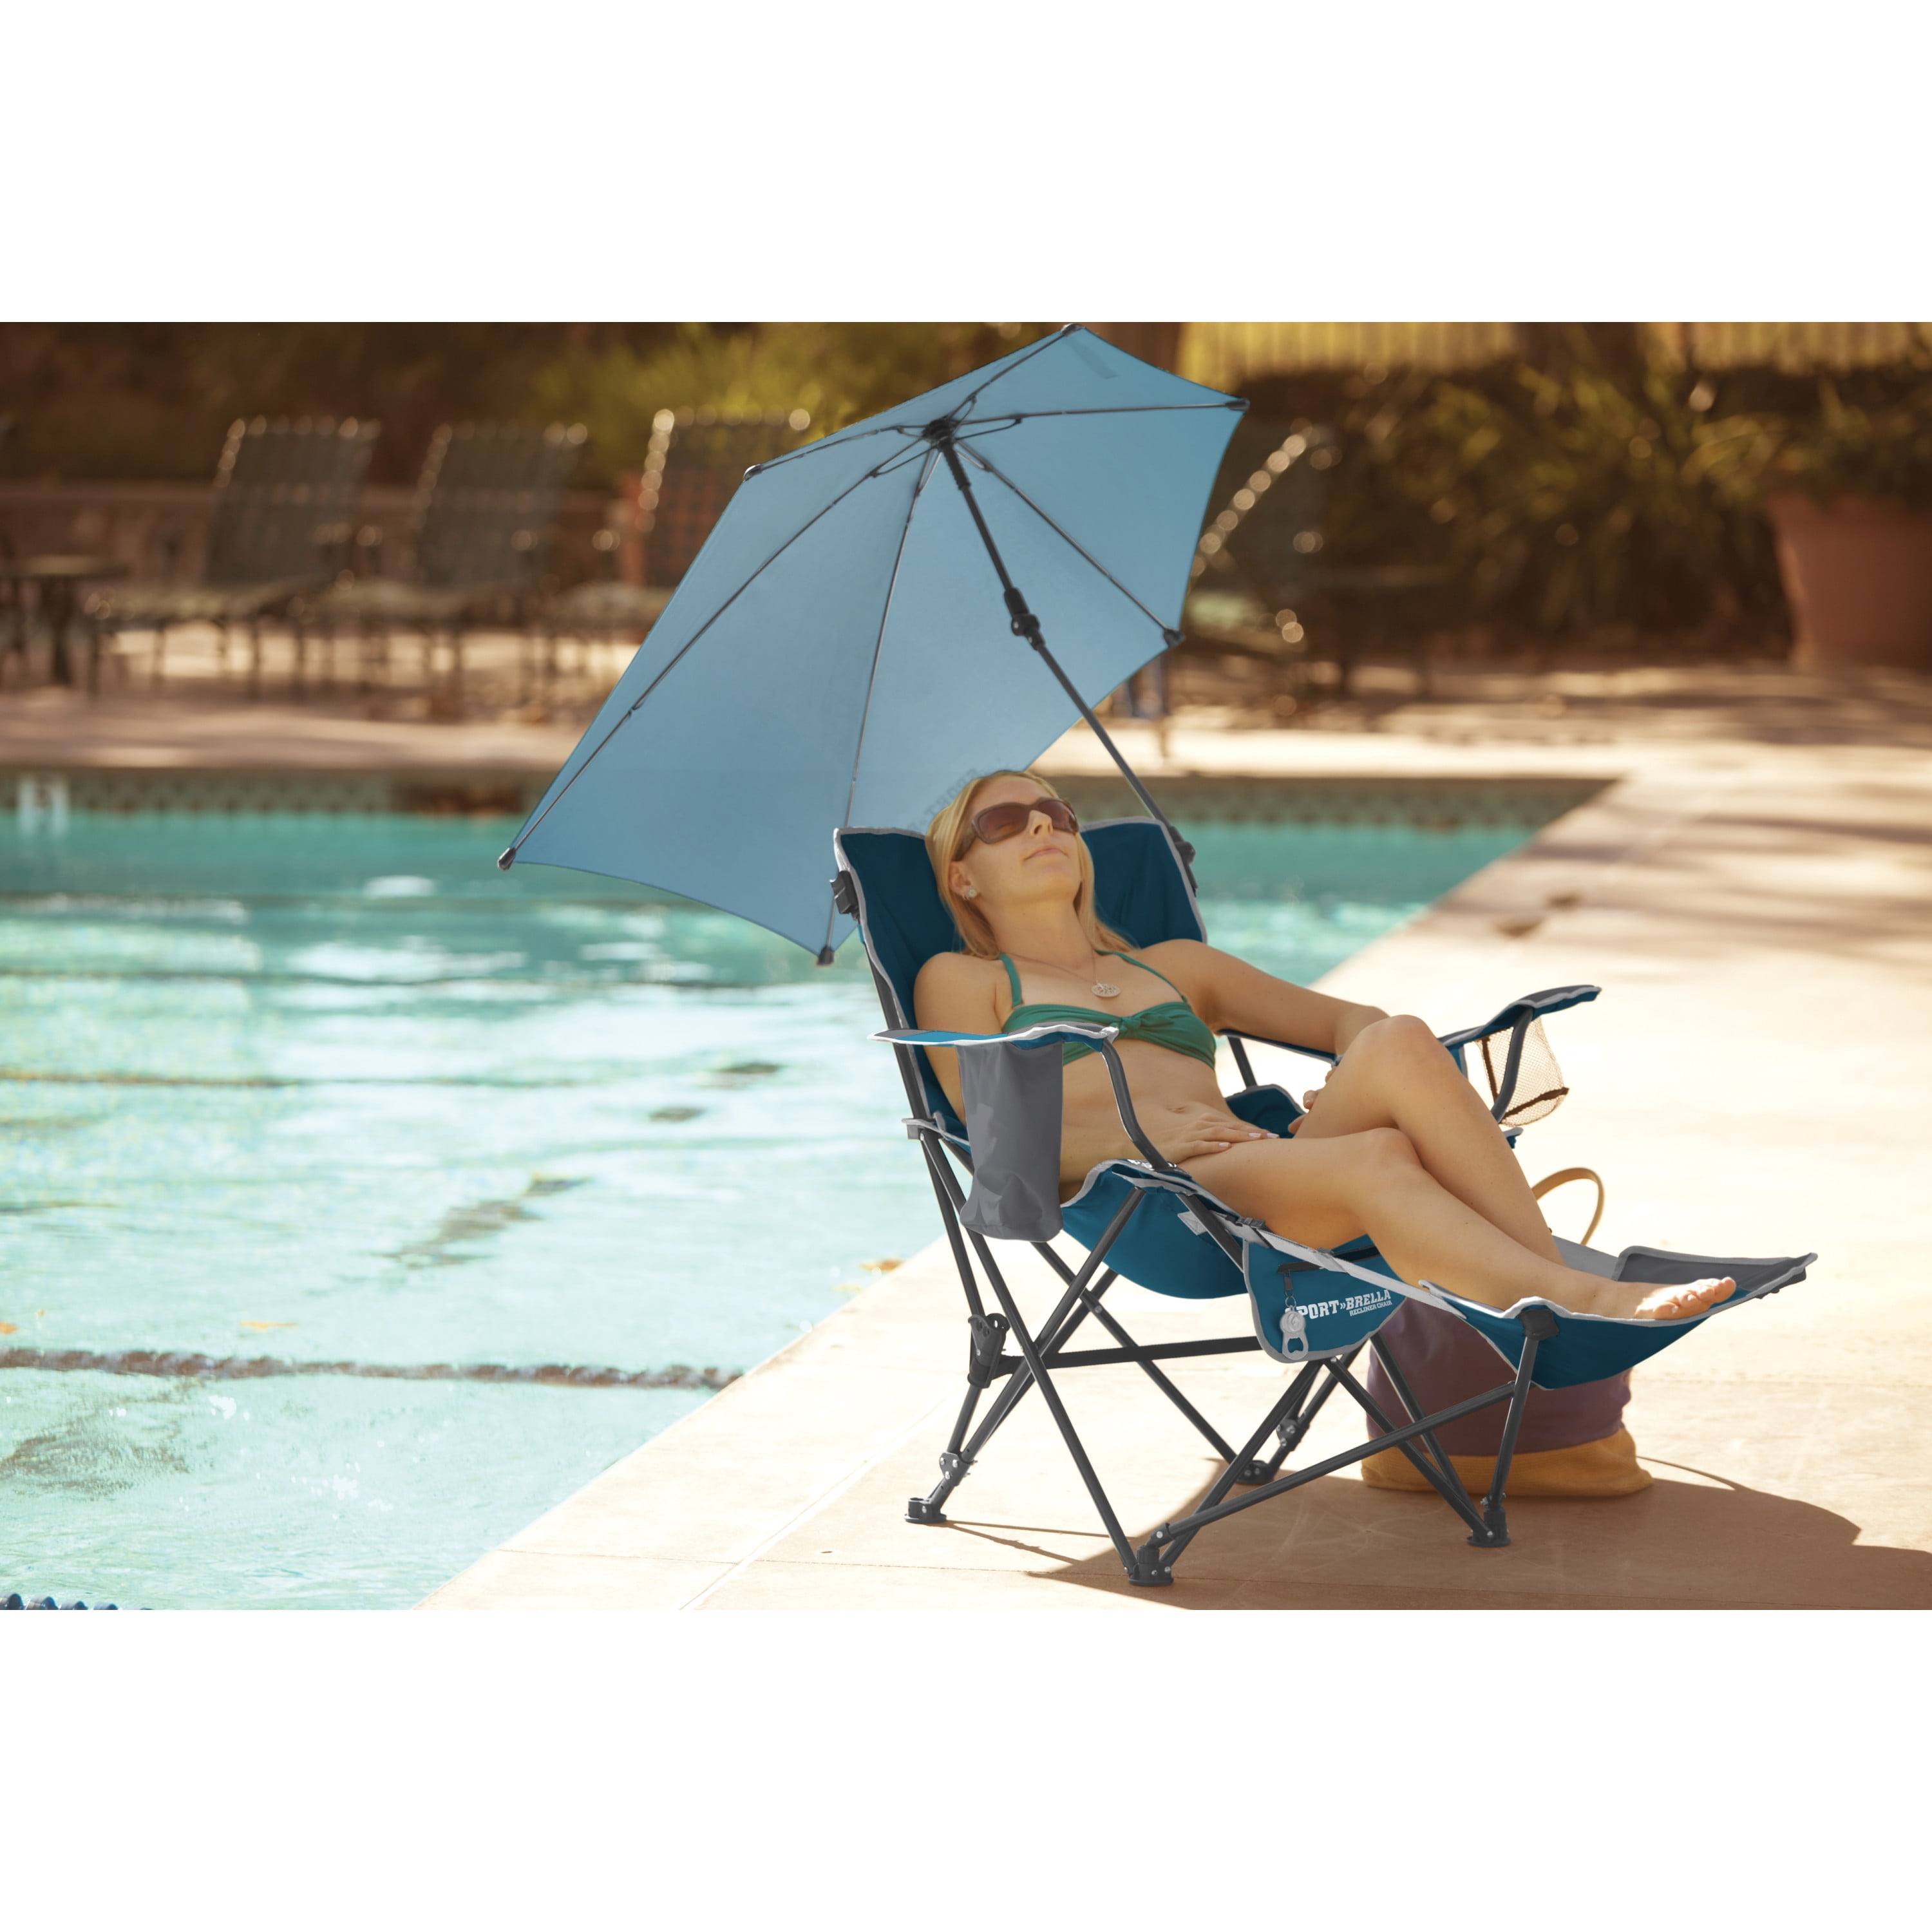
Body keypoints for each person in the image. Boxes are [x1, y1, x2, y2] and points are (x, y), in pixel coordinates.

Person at [913, 769, 1734, 1324]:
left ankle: (1551, 1280)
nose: (1043, 825)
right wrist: (1141, 1137)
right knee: (1381, 1155)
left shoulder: (1176, 967)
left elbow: (1355, 1023)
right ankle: (1576, 1299)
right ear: (962, 877)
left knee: (1399, 1039)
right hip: (1162, 1205)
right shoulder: (964, 979)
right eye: (1004, 823)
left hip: (1263, 1168)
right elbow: (999, 1146)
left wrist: (1338, 1093)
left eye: (1058, 814)